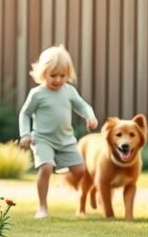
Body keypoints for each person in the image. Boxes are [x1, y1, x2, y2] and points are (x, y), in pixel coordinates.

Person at [18, 45, 98, 218]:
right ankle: (42, 207)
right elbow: (25, 113)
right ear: (42, 73)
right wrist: (25, 134)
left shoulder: (69, 91)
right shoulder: (37, 94)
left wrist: (90, 116)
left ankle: (58, 169)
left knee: (80, 170)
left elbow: (82, 105)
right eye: (53, 75)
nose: (58, 80)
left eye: (63, 76)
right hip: (42, 139)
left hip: (66, 140)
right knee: (45, 167)